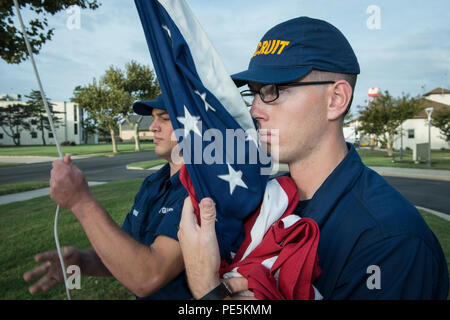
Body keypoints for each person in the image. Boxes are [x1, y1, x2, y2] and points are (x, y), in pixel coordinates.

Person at [178, 16, 449, 299]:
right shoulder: (269, 200)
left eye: (273, 91)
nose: (255, 110)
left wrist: (207, 287)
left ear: (336, 100)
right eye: (254, 93)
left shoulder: (390, 242)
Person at [23, 95, 193, 300]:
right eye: (153, 118)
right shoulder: (153, 183)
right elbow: (129, 255)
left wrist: (80, 201)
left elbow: (148, 276)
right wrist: (84, 262)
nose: (153, 127)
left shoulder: (199, 190)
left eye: (164, 119)